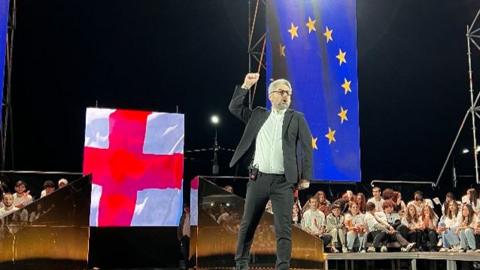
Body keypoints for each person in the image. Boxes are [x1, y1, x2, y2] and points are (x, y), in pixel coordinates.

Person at [229, 73, 313, 270]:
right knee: (247, 224)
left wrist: (306, 176)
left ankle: (282, 267)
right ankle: (241, 264)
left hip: (284, 183)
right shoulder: (258, 115)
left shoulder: (297, 118)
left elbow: (307, 148)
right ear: (271, 95)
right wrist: (245, 85)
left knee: (284, 229)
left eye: (289, 93)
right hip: (257, 179)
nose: (286, 96)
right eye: (282, 92)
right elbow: (234, 108)